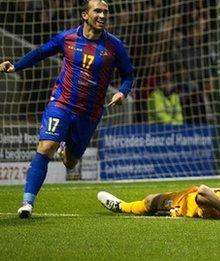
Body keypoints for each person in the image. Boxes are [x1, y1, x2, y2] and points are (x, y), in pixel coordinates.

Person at [0, 0, 134, 218]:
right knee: (46, 146)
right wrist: (16, 65)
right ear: (85, 15)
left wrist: (122, 92)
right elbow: (41, 52)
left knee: (71, 163)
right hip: (61, 103)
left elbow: (128, 74)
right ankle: (27, 203)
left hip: (89, 113)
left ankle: (66, 149)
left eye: (105, 12)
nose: (102, 15)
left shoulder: (114, 46)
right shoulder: (67, 38)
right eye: (97, 11)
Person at [97, 185, 220, 219]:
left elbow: (203, 191)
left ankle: (122, 207)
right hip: (189, 196)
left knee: (150, 201)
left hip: (183, 202)